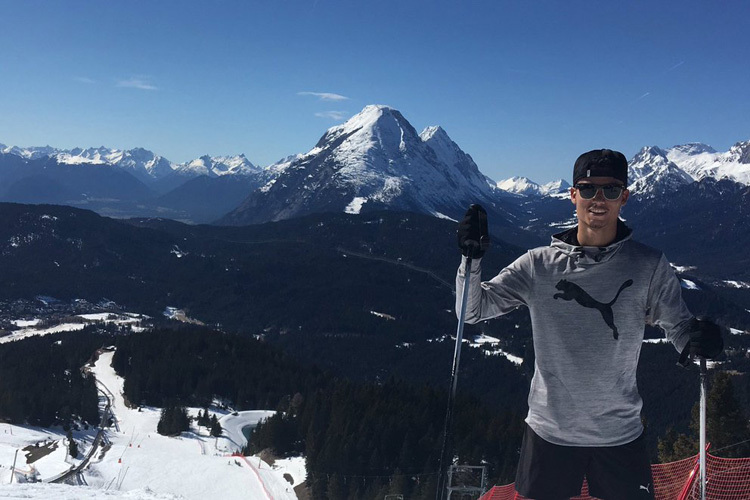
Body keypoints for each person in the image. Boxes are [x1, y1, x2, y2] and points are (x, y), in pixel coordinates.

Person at [456, 149, 723, 500]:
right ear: (573, 195)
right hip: (549, 433)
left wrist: (701, 340)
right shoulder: (538, 265)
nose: (598, 199)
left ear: (624, 197)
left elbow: (679, 327)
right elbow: (471, 311)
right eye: (587, 189)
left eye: (610, 190)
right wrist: (470, 259)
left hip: (620, 433)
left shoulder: (649, 265)